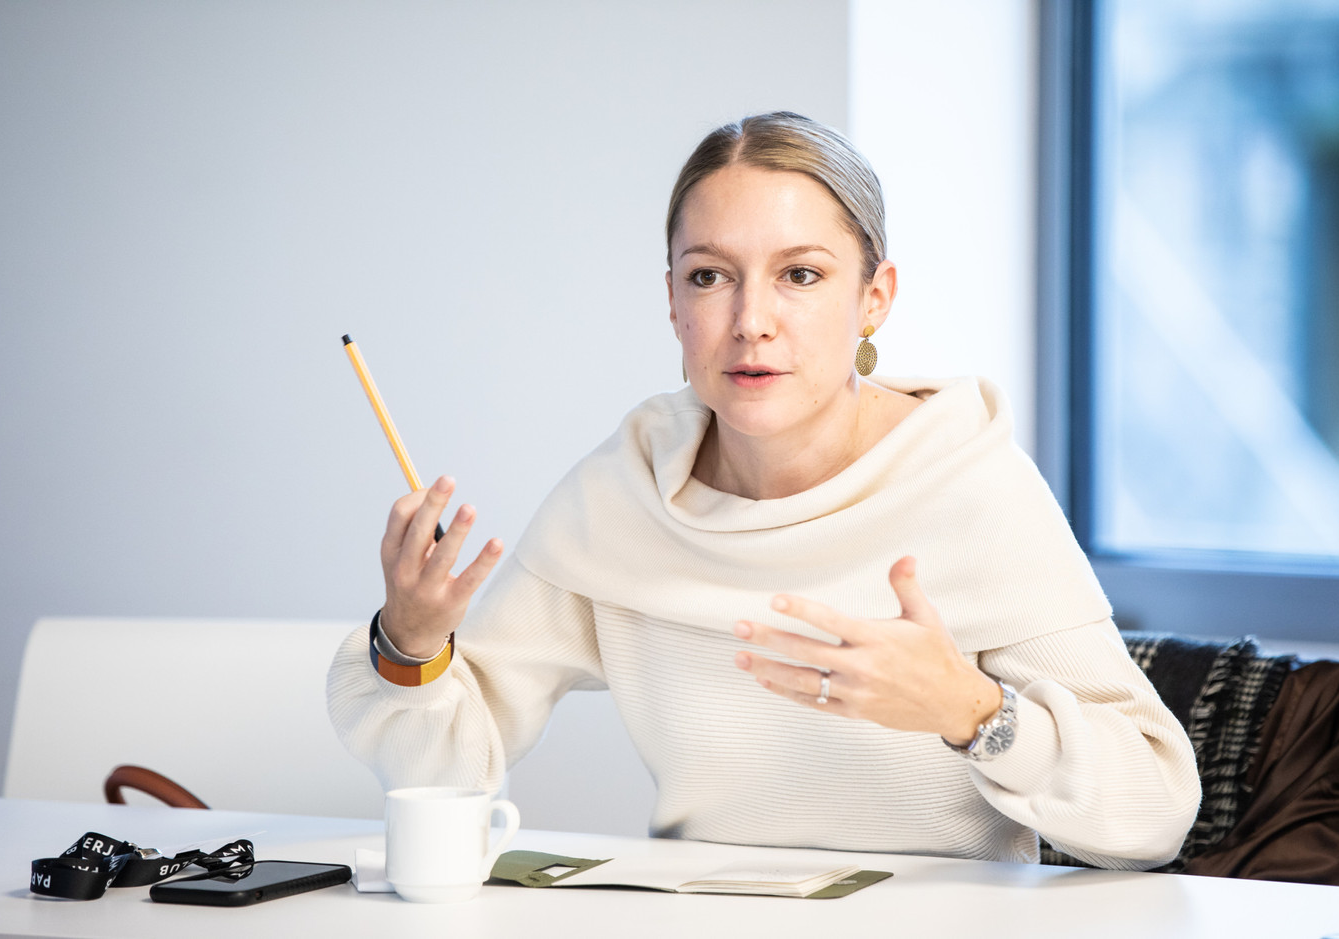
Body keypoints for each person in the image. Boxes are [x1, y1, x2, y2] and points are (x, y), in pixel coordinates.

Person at [328, 112, 1200, 868]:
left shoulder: (969, 484)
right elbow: (442, 775)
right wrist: (409, 639)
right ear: (673, 303)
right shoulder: (623, 491)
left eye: (801, 275)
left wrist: (971, 710)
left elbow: (1156, 810)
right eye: (709, 276)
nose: (751, 320)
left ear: (874, 298)